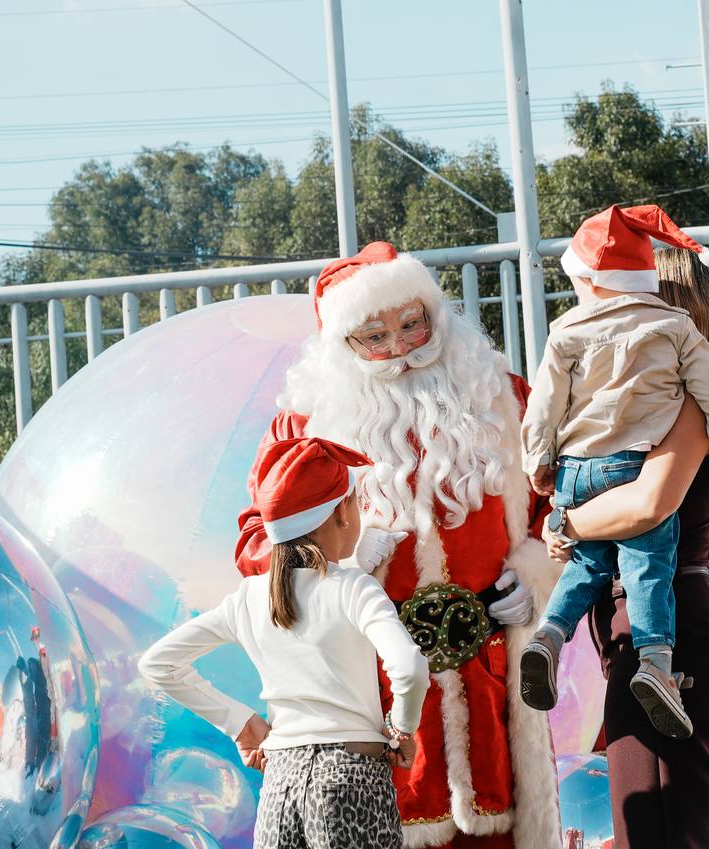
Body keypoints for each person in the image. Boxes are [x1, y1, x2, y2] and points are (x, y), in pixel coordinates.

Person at [236, 242, 562, 849]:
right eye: (375, 337)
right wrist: (337, 565)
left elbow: (559, 507)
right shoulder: (304, 428)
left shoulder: (504, 395)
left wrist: (538, 570)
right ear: (344, 347)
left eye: (413, 324)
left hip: (491, 673)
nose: (403, 348)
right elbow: (258, 543)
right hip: (376, 687)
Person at [543, 247, 709, 849]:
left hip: (668, 639)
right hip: (647, 640)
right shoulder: (651, 408)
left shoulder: (688, 405)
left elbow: (648, 505)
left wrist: (567, 523)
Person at [519, 205, 709, 740]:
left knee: (586, 563)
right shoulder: (674, 328)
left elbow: (542, 409)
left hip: (577, 471)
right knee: (647, 564)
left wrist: (542, 471)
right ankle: (656, 662)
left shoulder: (564, 331)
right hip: (630, 461)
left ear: (588, 281)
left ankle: (549, 634)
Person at [140, 437, 430, 849]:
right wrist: (402, 729)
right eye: (355, 503)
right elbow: (410, 667)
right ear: (341, 515)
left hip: (279, 784)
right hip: (352, 782)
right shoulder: (354, 588)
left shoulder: (248, 598)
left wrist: (240, 723)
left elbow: (157, 664)